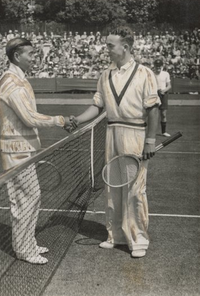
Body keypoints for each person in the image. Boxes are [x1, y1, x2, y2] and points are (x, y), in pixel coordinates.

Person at [69, 27, 161, 258]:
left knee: (135, 190)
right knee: (114, 187)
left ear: (126, 47)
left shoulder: (144, 73)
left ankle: (138, 238)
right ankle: (116, 235)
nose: (106, 49)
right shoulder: (105, 74)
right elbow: (97, 105)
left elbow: (153, 109)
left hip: (135, 134)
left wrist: (150, 140)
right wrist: (77, 120)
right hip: (112, 132)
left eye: (110, 45)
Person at [0, 38, 74, 264]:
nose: (34, 57)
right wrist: (61, 120)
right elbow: (28, 117)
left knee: (32, 197)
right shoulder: (9, 81)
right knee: (24, 199)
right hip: (15, 150)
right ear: (17, 56)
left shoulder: (21, 79)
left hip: (27, 148)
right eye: (30, 54)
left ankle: (27, 243)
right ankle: (24, 250)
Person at [153, 59, 172, 137]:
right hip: (154, 94)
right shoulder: (151, 73)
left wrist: (164, 91)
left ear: (162, 66)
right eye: (157, 66)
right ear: (154, 66)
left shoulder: (166, 74)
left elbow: (169, 86)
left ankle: (163, 132)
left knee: (163, 114)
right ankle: (151, 131)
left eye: (159, 66)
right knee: (152, 114)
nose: (158, 67)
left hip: (163, 95)